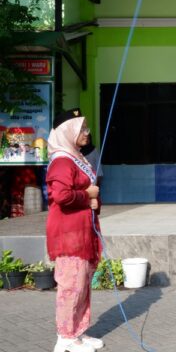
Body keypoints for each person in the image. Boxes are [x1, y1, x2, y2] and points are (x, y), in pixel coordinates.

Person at [45, 109, 104, 352]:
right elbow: (60, 195)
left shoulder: (75, 157)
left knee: (83, 283)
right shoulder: (61, 160)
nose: (87, 133)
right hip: (69, 233)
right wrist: (87, 195)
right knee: (71, 284)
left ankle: (78, 331)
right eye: (82, 129)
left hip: (82, 231)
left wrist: (93, 200)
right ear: (68, 132)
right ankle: (65, 337)